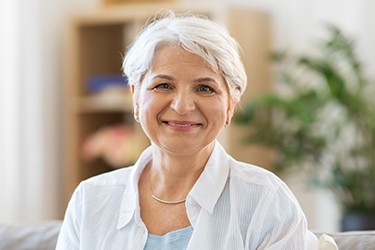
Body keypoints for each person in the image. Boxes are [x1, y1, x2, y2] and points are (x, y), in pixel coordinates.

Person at [56, 11, 319, 249]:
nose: (182, 106)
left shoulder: (266, 201)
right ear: (136, 98)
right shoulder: (89, 200)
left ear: (230, 106)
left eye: (205, 88)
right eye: (163, 86)